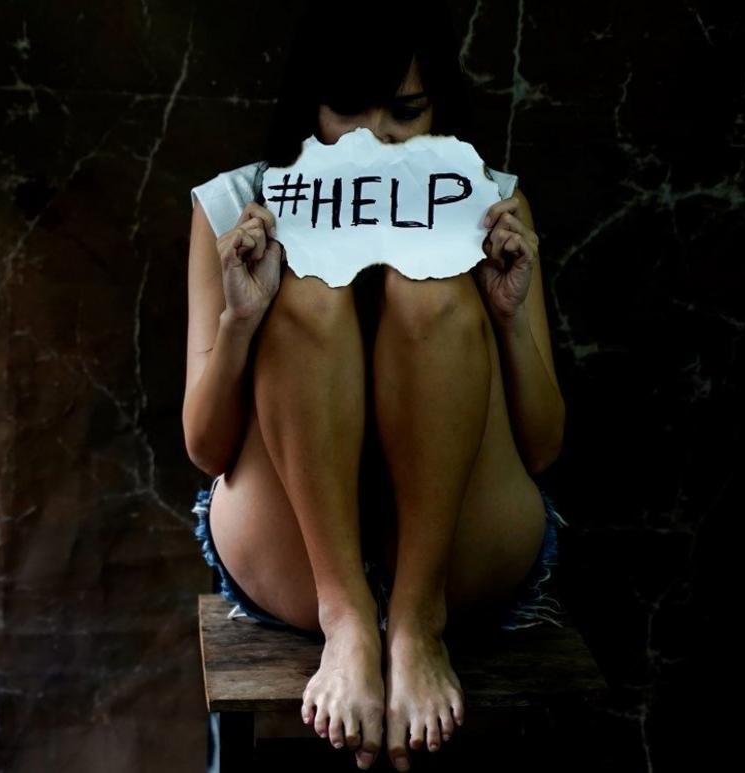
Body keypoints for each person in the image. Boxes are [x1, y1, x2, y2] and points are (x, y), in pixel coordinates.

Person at [183, 1, 569, 770]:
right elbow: (206, 448)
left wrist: (507, 314)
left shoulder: (488, 201)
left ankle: (416, 617)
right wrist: (240, 322)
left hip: (462, 546)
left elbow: (543, 445)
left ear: (438, 110)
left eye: (405, 111)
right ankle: (349, 620)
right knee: (305, 297)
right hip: (291, 547)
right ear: (309, 107)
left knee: (432, 293)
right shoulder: (235, 206)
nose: (375, 138)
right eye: (346, 110)